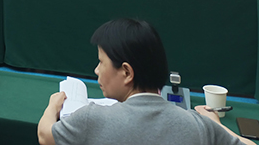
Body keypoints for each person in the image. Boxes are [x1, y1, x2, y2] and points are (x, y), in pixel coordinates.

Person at [37, 18, 252, 145]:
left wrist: (53, 106)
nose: (96, 70)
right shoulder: (198, 126)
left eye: (101, 62)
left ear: (127, 72)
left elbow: (45, 135)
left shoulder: (91, 118)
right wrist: (214, 124)